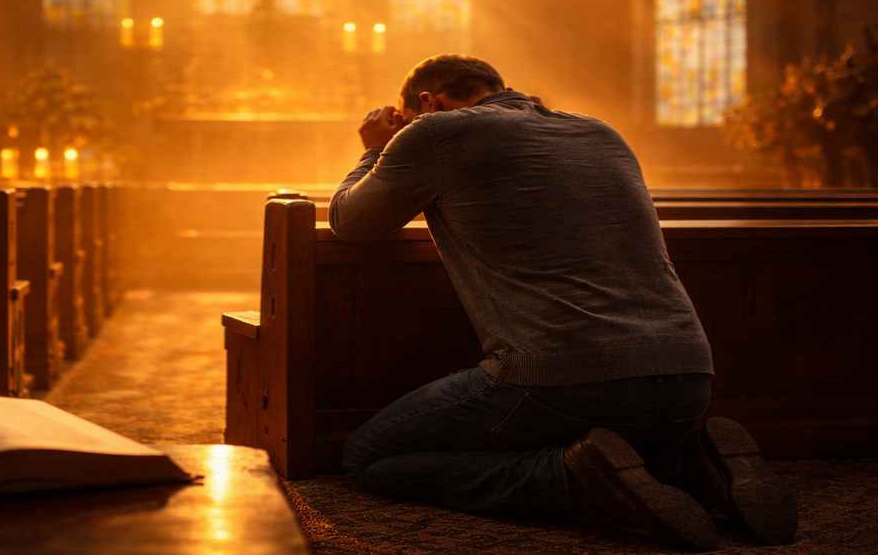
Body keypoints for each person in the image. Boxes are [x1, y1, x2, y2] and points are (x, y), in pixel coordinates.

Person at [330, 55, 796, 550]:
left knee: (369, 457)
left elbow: (352, 223)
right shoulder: (600, 132)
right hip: (688, 373)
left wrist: (376, 150)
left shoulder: (437, 132)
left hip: (561, 379)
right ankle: (692, 466)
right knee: (622, 432)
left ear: (428, 102)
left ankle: (570, 481)